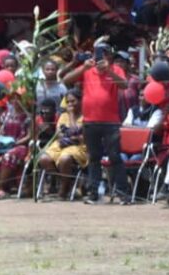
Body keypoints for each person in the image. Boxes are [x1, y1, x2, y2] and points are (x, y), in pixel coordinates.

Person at [61, 44, 131, 204]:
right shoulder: (88, 70)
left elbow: (124, 85)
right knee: (94, 158)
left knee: (114, 157)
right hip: (90, 121)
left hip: (111, 122)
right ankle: (93, 194)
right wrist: (82, 68)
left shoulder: (115, 69)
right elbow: (66, 80)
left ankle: (122, 193)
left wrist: (109, 71)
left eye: (105, 54)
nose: (102, 57)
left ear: (110, 56)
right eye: (99, 54)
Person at [38, 89, 88, 199]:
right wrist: (72, 136)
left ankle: (64, 189)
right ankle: (66, 182)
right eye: (68, 102)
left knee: (65, 159)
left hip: (80, 147)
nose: (70, 104)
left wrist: (71, 115)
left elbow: (77, 134)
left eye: (73, 101)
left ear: (80, 101)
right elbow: (59, 134)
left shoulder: (86, 116)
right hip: (61, 144)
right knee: (44, 159)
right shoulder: (63, 116)